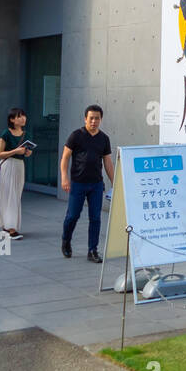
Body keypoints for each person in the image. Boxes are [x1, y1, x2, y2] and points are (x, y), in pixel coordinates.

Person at [60, 104, 114, 262]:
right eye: (91, 118)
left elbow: (108, 162)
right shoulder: (76, 135)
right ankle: (66, 240)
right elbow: (65, 157)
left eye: (97, 118)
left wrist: (114, 182)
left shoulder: (104, 138)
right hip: (78, 183)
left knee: (95, 218)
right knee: (73, 216)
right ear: (85, 118)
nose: (94, 121)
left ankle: (92, 251)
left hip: (96, 184)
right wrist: (64, 177)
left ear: (101, 119)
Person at [0, 107, 33, 240]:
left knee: (15, 196)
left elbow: (27, 152)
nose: (23, 118)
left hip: (19, 166)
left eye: (23, 116)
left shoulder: (26, 134)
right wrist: (15, 151)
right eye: (19, 116)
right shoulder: (6, 133)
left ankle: (8, 225)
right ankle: (11, 228)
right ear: (12, 119)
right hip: (8, 165)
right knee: (7, 195)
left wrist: (28, 152)